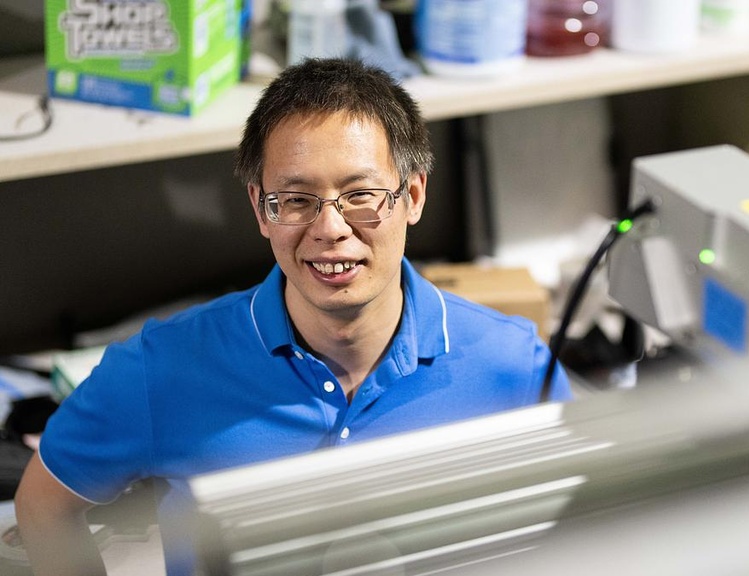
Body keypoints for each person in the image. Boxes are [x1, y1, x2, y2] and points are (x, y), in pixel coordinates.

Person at [14, 57, 572, 576]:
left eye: (361, 194)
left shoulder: (515, 368)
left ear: (414, 195)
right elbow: (43, 505)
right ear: (261, 208)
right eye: (297, 200)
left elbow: (588, 528)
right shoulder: (163, 368)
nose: (330, 228)